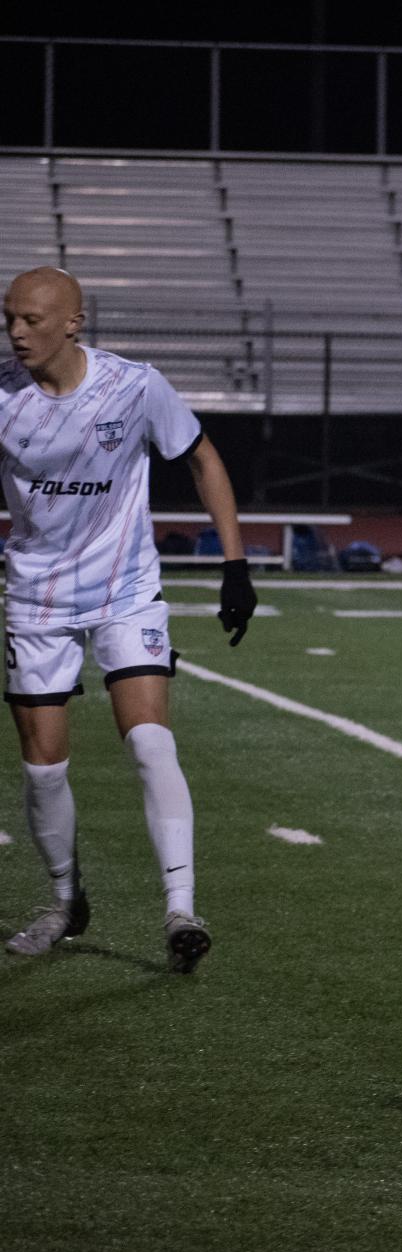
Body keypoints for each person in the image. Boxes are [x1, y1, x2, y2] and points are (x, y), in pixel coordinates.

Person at [2, 266, 257, 973]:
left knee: (150, 743)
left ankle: (181, 909)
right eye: (9, 319)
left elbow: (203, 458)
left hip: (125, 590)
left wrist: (235, 567)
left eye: (31, 320)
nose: (17, 333)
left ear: (72, 323)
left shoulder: (134, 386)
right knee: (43, 768)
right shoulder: (2, 396)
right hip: (36, 597)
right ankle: (64, 901)